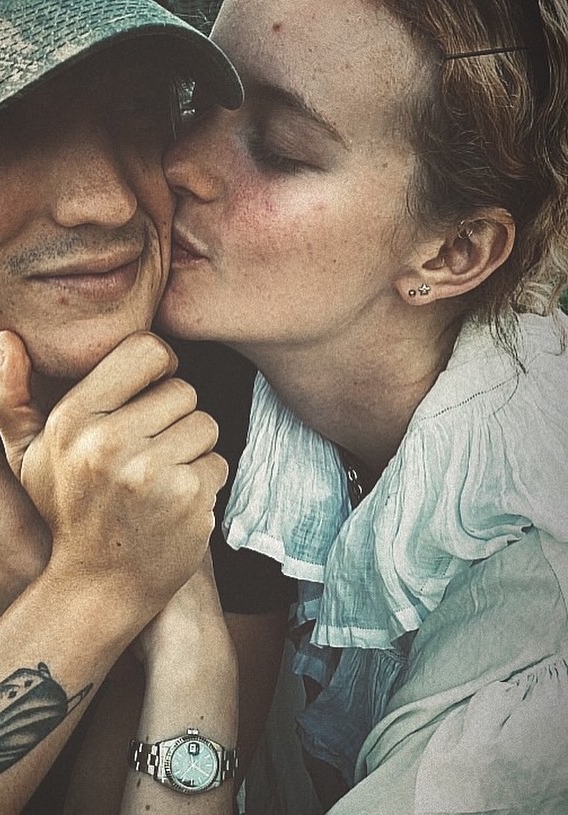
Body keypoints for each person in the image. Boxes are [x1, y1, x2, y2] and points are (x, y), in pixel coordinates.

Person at [0, 1, 264, 812]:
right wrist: (100, 585)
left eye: (138, 107)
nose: (106, 202)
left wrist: (187, 639)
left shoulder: (239, 408)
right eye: (1, 124)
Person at [159, 0, 568, 811]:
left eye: (280, 149)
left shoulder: (535, 590)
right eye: (194, 99)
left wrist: (187, 640)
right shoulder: (252, 379)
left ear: (452, 252)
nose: (179, 163)